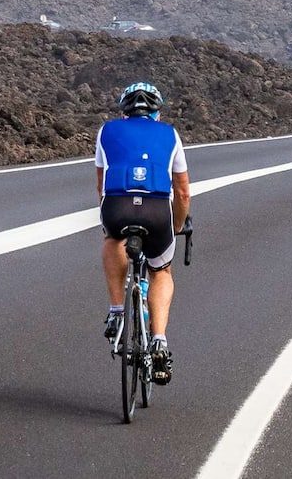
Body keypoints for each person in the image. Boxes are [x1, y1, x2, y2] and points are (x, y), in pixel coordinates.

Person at [95, 81, 190, 385]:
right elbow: (183, 192)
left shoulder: (106, 131)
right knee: (161, 270)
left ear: (124, 112)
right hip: (157, 211)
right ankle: (159, 340)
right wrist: (176, 226)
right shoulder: (170, 134)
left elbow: (101, 186)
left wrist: (110, 223)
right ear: (157, 113)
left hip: (118, 206)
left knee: (112, 239)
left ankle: (116, 310)